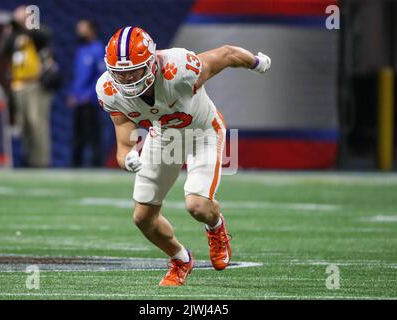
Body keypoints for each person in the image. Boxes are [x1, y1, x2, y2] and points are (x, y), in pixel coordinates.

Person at [96, 26, 271, 286]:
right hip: (164, 137)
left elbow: (226, 54)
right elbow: (123, 144)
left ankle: (216, 226)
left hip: (203, 133)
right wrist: (128, 159)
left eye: (133, 69)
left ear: (152, 61)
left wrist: (255, 63)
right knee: (142, 219)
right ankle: (181, 259)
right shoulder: (109, 90)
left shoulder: (178, 69)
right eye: (121, 73)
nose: (128, 78)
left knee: (197, 206)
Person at [0, 5, 55, 168]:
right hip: (18, 85)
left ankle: (41, 162)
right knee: (23, 125)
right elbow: (2, 49)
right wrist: (10, 30)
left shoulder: (37, 33)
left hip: (35, 84)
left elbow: (46, 36)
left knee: (37, 122)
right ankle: (29, 159)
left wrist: (27, 24)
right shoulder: (14, 35)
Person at [68, 20, 106, 167]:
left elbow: (101, 76)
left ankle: (96, 167)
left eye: (83, 28)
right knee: (77, 138)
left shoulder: (98, 49)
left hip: (91, 102)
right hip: (78, 101)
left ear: (92, 30)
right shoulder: (80, 50)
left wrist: (88, 96)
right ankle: (75, 168)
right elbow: (78, 77)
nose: (79, 32)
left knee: (94, 137)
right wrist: (74, 94)